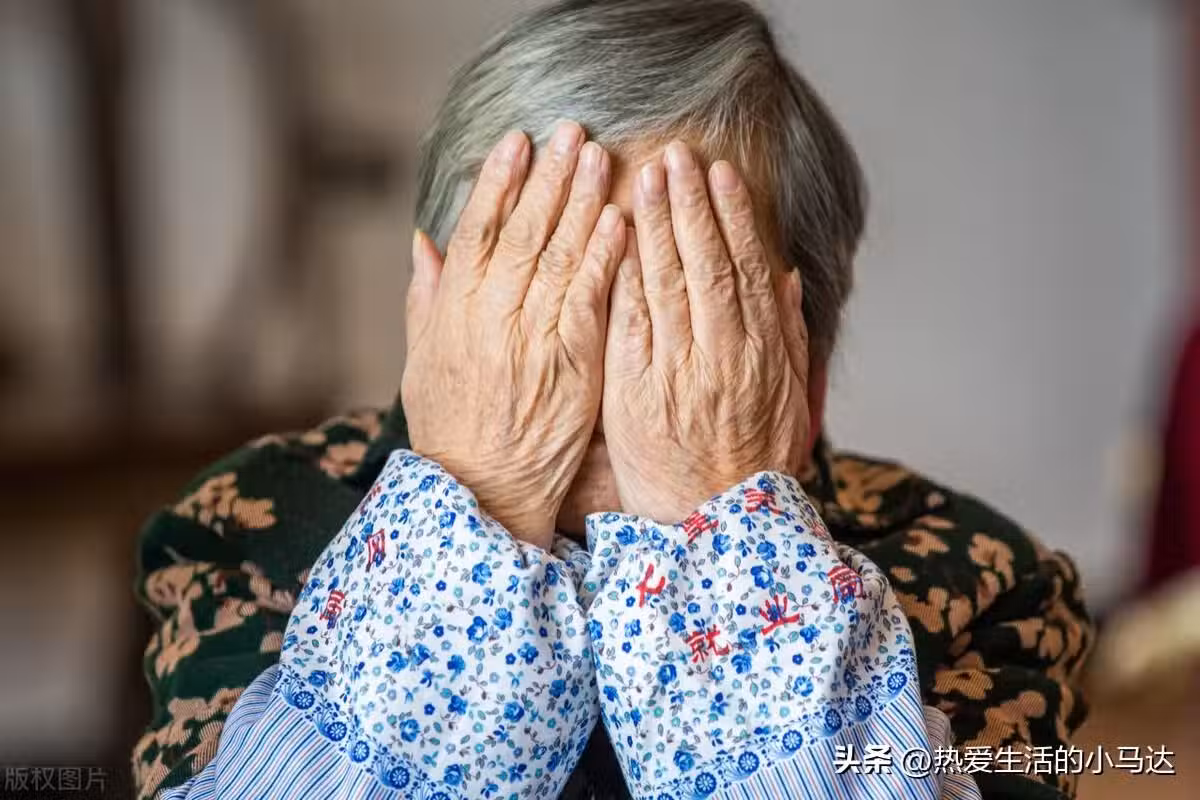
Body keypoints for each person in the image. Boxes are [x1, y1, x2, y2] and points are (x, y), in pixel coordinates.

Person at [131, 2, 1092, 799]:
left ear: (805, 357)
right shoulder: (253, 525)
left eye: (670, 307)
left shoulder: (984, 579)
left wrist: (723, 542)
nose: (597, 368)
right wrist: (482, 500)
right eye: (543, 289)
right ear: (434, 317)